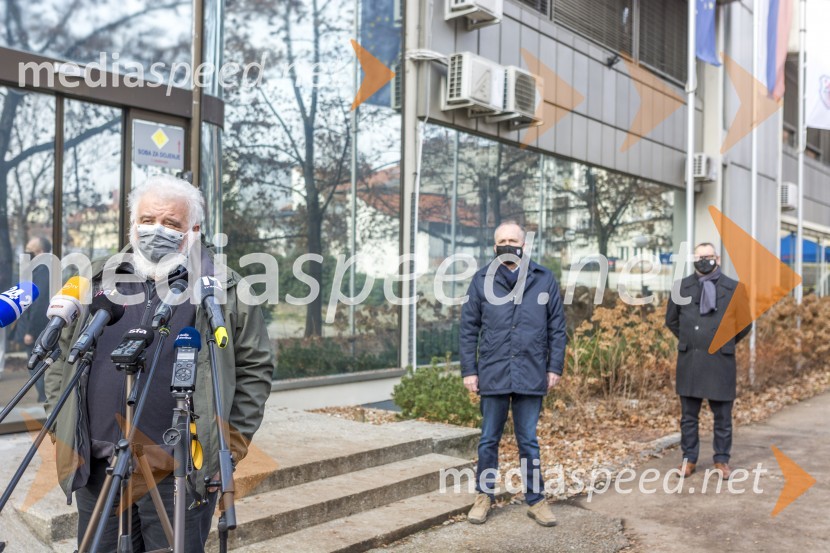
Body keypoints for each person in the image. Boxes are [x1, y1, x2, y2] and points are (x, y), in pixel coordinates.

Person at [45, 175, 275, 552]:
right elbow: (61, 357)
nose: (157, 231)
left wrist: (229, 445)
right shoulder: (96, 278)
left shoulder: (223, 288)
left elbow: (254, 370)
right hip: (99, 463)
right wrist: (62, 426)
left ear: (194, 230)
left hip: (179, 469)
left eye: (171, 223)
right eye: (148, 220)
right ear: (132, 225)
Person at [460, 221, 567, 527]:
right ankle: (483, 496)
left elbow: (557, 329)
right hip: (493, 371)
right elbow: (468, 329)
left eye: (513, 239)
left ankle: (536, 500)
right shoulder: (481, 280)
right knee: (488, 440)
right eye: (502, 240)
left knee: (529, 441)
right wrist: (470, 370)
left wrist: (553, 367)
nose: (508, 244)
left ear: (524, 245)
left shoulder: (544, 279)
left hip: (531, 371)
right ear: (495, 247)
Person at [665, 242, 751, 479]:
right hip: (690, 360)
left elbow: (744, 325)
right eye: (700, 257)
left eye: (709, 256)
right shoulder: (680, 287)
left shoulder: (734, 288)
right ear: (694, 259)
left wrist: (724, 342)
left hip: (720, 361)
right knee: (688, 417)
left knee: (723, 417)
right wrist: (691, 340)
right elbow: (671, 320)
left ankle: (721, 460)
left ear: (718, 259)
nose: (704, 260)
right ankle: (688, 459)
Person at [17, 236, 52, 402]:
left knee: (35, 364)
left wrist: (30, 331)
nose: (27, 253)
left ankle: (46, 397)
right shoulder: (39, 270)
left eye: (30, 250)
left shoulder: (43, 270)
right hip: (37, 327)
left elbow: (39, 303)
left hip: (36, 328)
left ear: (41, 252)